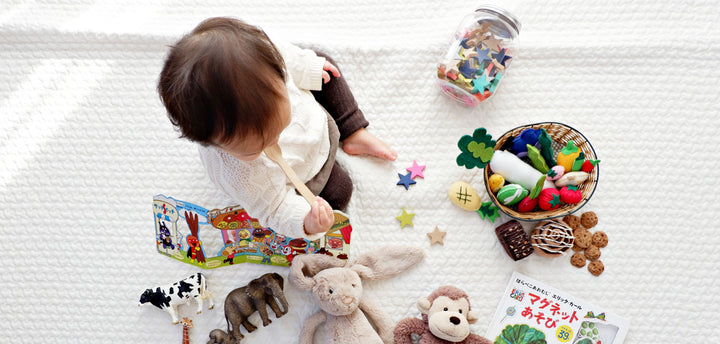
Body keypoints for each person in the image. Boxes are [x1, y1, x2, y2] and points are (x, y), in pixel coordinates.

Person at [158, 17, 396, 239]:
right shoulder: (240, 174)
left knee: (324, 68)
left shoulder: (266, 58)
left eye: (280, 127)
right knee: (339, 192)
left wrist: (307, 68)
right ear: (211, 143)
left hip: (315, 120)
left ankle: (353, 131)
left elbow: (290, 58)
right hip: (303, 172)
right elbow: (274, 208)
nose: (275, 142)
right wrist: (306, 222)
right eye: (257, 148)